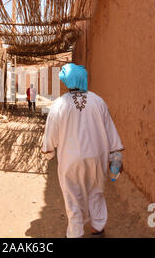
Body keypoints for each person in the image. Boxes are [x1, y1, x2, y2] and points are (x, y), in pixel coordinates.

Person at [41, 63, 124, 238]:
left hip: (70, 161)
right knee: (96, 192)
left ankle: (75, 233)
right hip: (96, 158)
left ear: (66, 82)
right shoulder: (98, 100)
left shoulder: (59, 105)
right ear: (84, 78)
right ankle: (97, 229)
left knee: (72, 197)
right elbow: (111, 131)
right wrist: (115, 156)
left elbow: (50, 136)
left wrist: (48, 152)